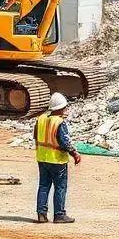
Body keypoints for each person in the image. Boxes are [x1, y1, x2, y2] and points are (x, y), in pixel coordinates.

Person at [35, 92, 81, 224]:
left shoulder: (41, 119)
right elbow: (64, 142)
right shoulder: (59, 122)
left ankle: (41, 214)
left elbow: (36, 136)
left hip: (42, 158)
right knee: (60, 187)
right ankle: (59, 214)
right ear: (60, 108)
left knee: (43, 185)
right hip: (57, 160)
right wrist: (74, 154)